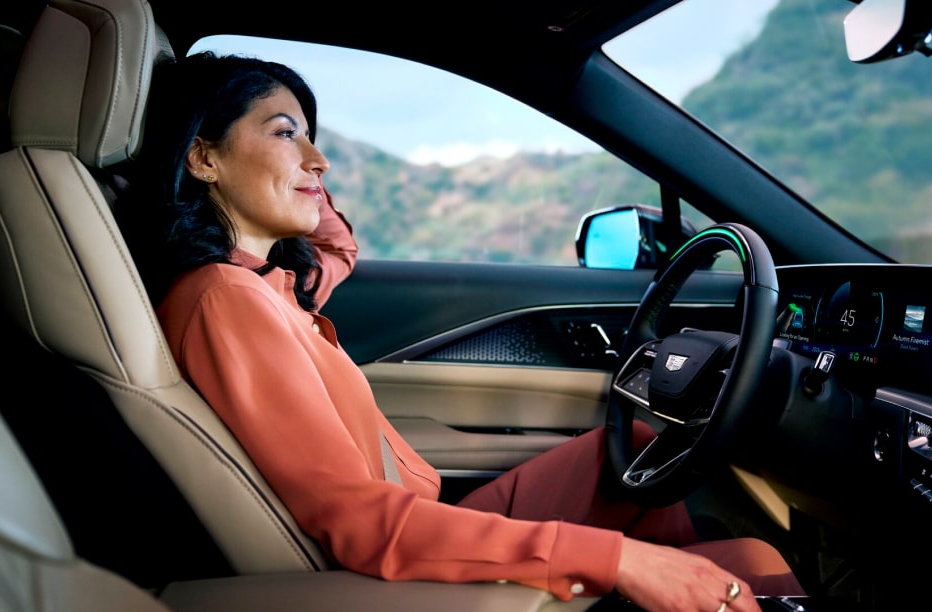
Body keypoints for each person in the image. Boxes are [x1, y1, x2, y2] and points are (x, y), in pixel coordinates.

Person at [116, 51, 805, 612]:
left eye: (312, 136)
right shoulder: (227, 301)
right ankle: (666, 587)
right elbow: (360, 526)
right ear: (203, 157)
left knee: (634, 452)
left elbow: (337, 251)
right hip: (391, 558)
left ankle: (669, 588)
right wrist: (620, 560)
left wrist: (298, 174)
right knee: (754, 563)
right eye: (284, 131)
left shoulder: (272, 281)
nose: (319, 160)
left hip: (424, 505)